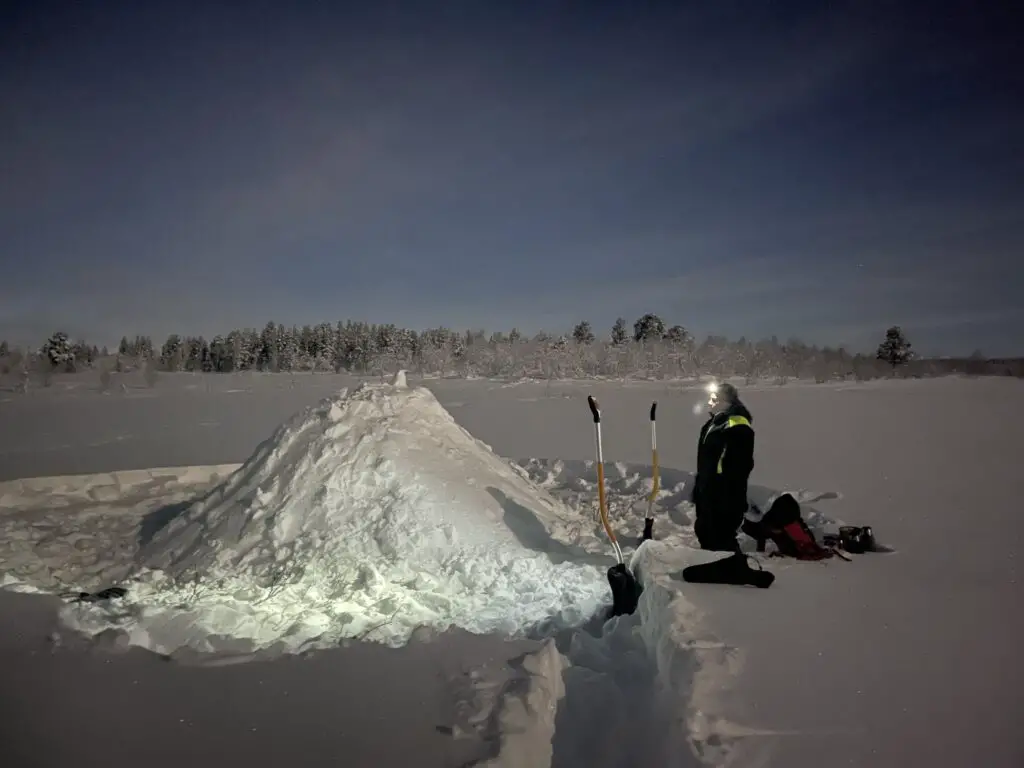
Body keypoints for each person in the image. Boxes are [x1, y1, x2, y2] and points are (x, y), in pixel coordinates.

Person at [692, 382, 755, 552]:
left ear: (725, 401)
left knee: (720, 535)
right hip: (708, 490)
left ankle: (731, 568)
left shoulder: (737, 424)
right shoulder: (714, 423)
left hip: (724, 494)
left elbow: (740, 465)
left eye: (714, 398)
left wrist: (723, 490)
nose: (710, 402)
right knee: (705, 531)